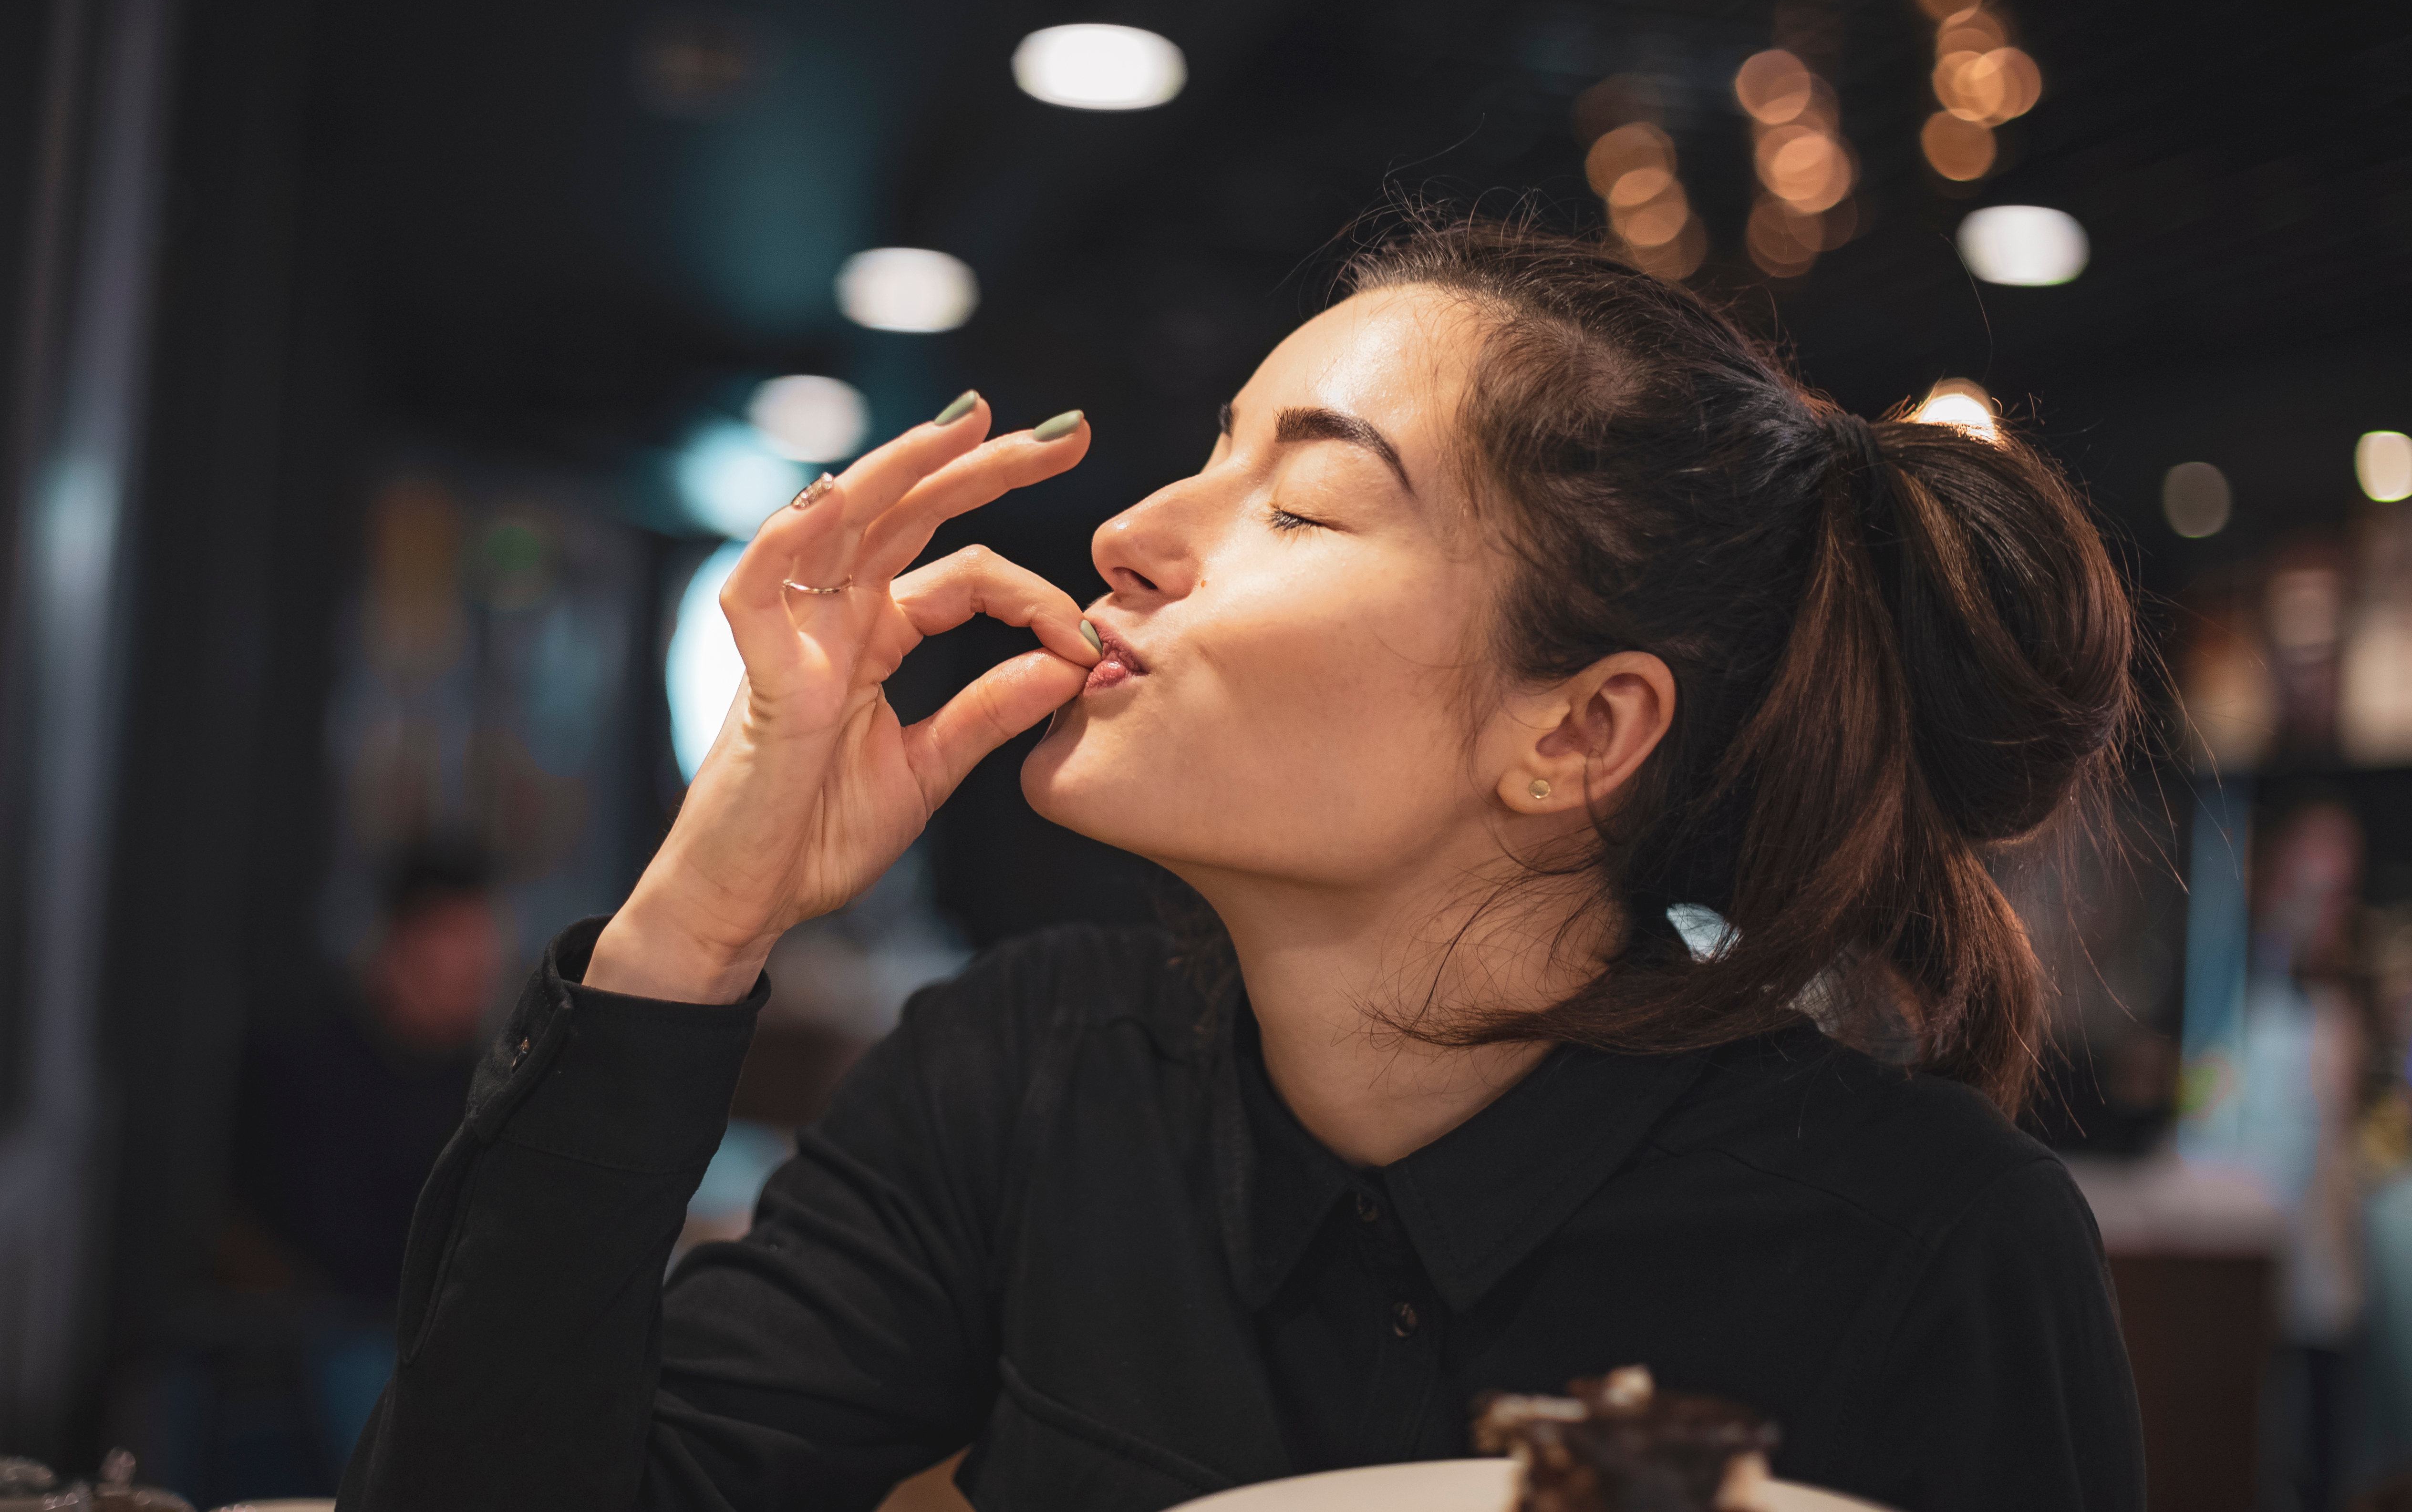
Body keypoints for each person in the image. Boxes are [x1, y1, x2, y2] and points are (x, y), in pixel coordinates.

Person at [338, 220, 2145, 1511]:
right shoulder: (1026, 1075)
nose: (1127, 534)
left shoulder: (1925, 1243)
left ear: (1575, 733)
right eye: (1210, 458)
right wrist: (702, 914)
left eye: (1299, 502)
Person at [233, 844, 504, 1305]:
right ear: (402, 936)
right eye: (459, 935)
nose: (482, 960)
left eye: (487, 937)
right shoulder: (303, 1060)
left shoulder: (485, 1089)